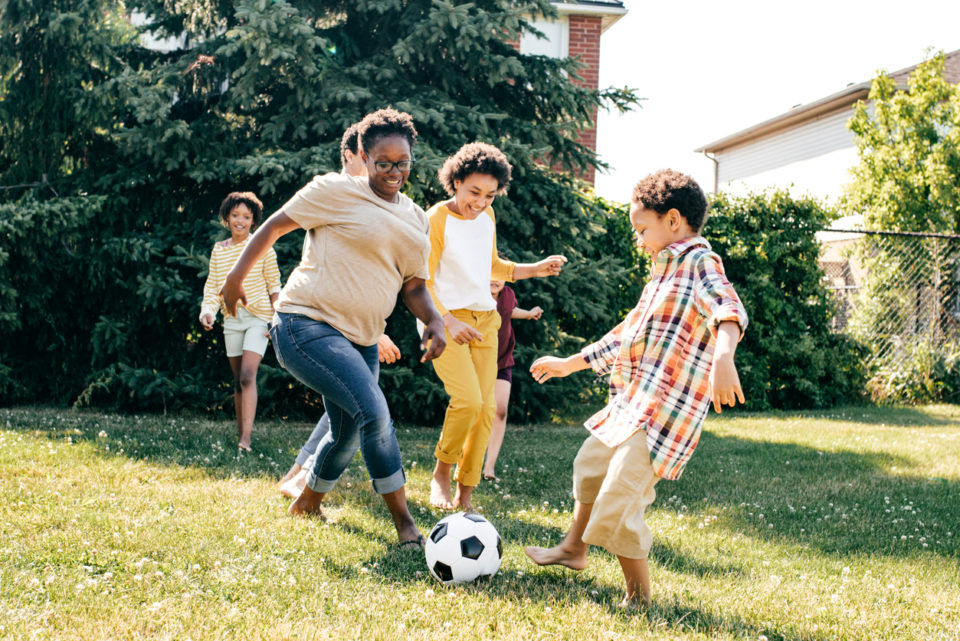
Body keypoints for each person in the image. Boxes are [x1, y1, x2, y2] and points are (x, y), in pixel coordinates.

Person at [221, 108, 445, 549]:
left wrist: (433, 319)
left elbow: (414, 286)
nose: (394, 172)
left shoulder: (417, 218)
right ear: (363, 155)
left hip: (361, 339)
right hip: (305, 325)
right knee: (374, 412)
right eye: (383, 163)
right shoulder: (334, 191)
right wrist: (234, 279)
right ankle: (405, 525)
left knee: (347, 432)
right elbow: (272, 228)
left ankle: (306, 503)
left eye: (403, 163)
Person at [523, 169, 748, 609]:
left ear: (673, 220)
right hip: (632, 404)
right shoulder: (661, 273)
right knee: (590, 467)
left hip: (663, 414)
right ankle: (574, 548)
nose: (638, 239)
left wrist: (724, 357)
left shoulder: (699, 262)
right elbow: (629, 331)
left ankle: (639, 598)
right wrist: (573, 363)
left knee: (618, 501)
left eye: (642, 229)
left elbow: (728, 307)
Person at [423, 142, 566, 512]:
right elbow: (421, 280)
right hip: (444, 322)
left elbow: (492, 266)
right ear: (455, 181)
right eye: (474, 192)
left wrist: (535, 268)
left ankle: (465, 493)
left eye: (489, 195)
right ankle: (441, 471)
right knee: (467, 400)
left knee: (487, 410)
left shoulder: (487, 218)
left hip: (486, 322)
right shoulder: (436, 220)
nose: (481, 202)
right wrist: (447, 321)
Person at [277, 122, 403, 499]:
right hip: (316, 320)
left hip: (354, 326)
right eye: (371, 162)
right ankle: (300, 477)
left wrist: (372, 326)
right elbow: (333, 271)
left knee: (348, 412)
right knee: (360, 403)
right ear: (353, 157)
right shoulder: (335, 192)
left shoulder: (380, 203)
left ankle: (302, 480)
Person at [199, 191, 281, 452]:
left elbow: (274, 287)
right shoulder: (219, 251)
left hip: (259, 317)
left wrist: (276, 319)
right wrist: (207, 311)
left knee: (248, 375)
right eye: (235, 215)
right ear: (227, 217)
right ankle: (241, 436)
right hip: (232, 319)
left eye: (246, 217)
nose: (240, 221)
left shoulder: (263, 247)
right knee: (238, 380)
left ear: (254, 221)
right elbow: (213, 287)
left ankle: (246, 439)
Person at [480, 278, 542, 481]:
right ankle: (467, 460)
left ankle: (489, 467)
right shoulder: (476, 293)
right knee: (476, 410)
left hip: (502, 360)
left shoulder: (507, 294)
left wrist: (528, 314)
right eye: (491, 273)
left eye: (500, 274)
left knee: (500, 410)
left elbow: (509, 311)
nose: (495, 279)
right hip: (478, 360)